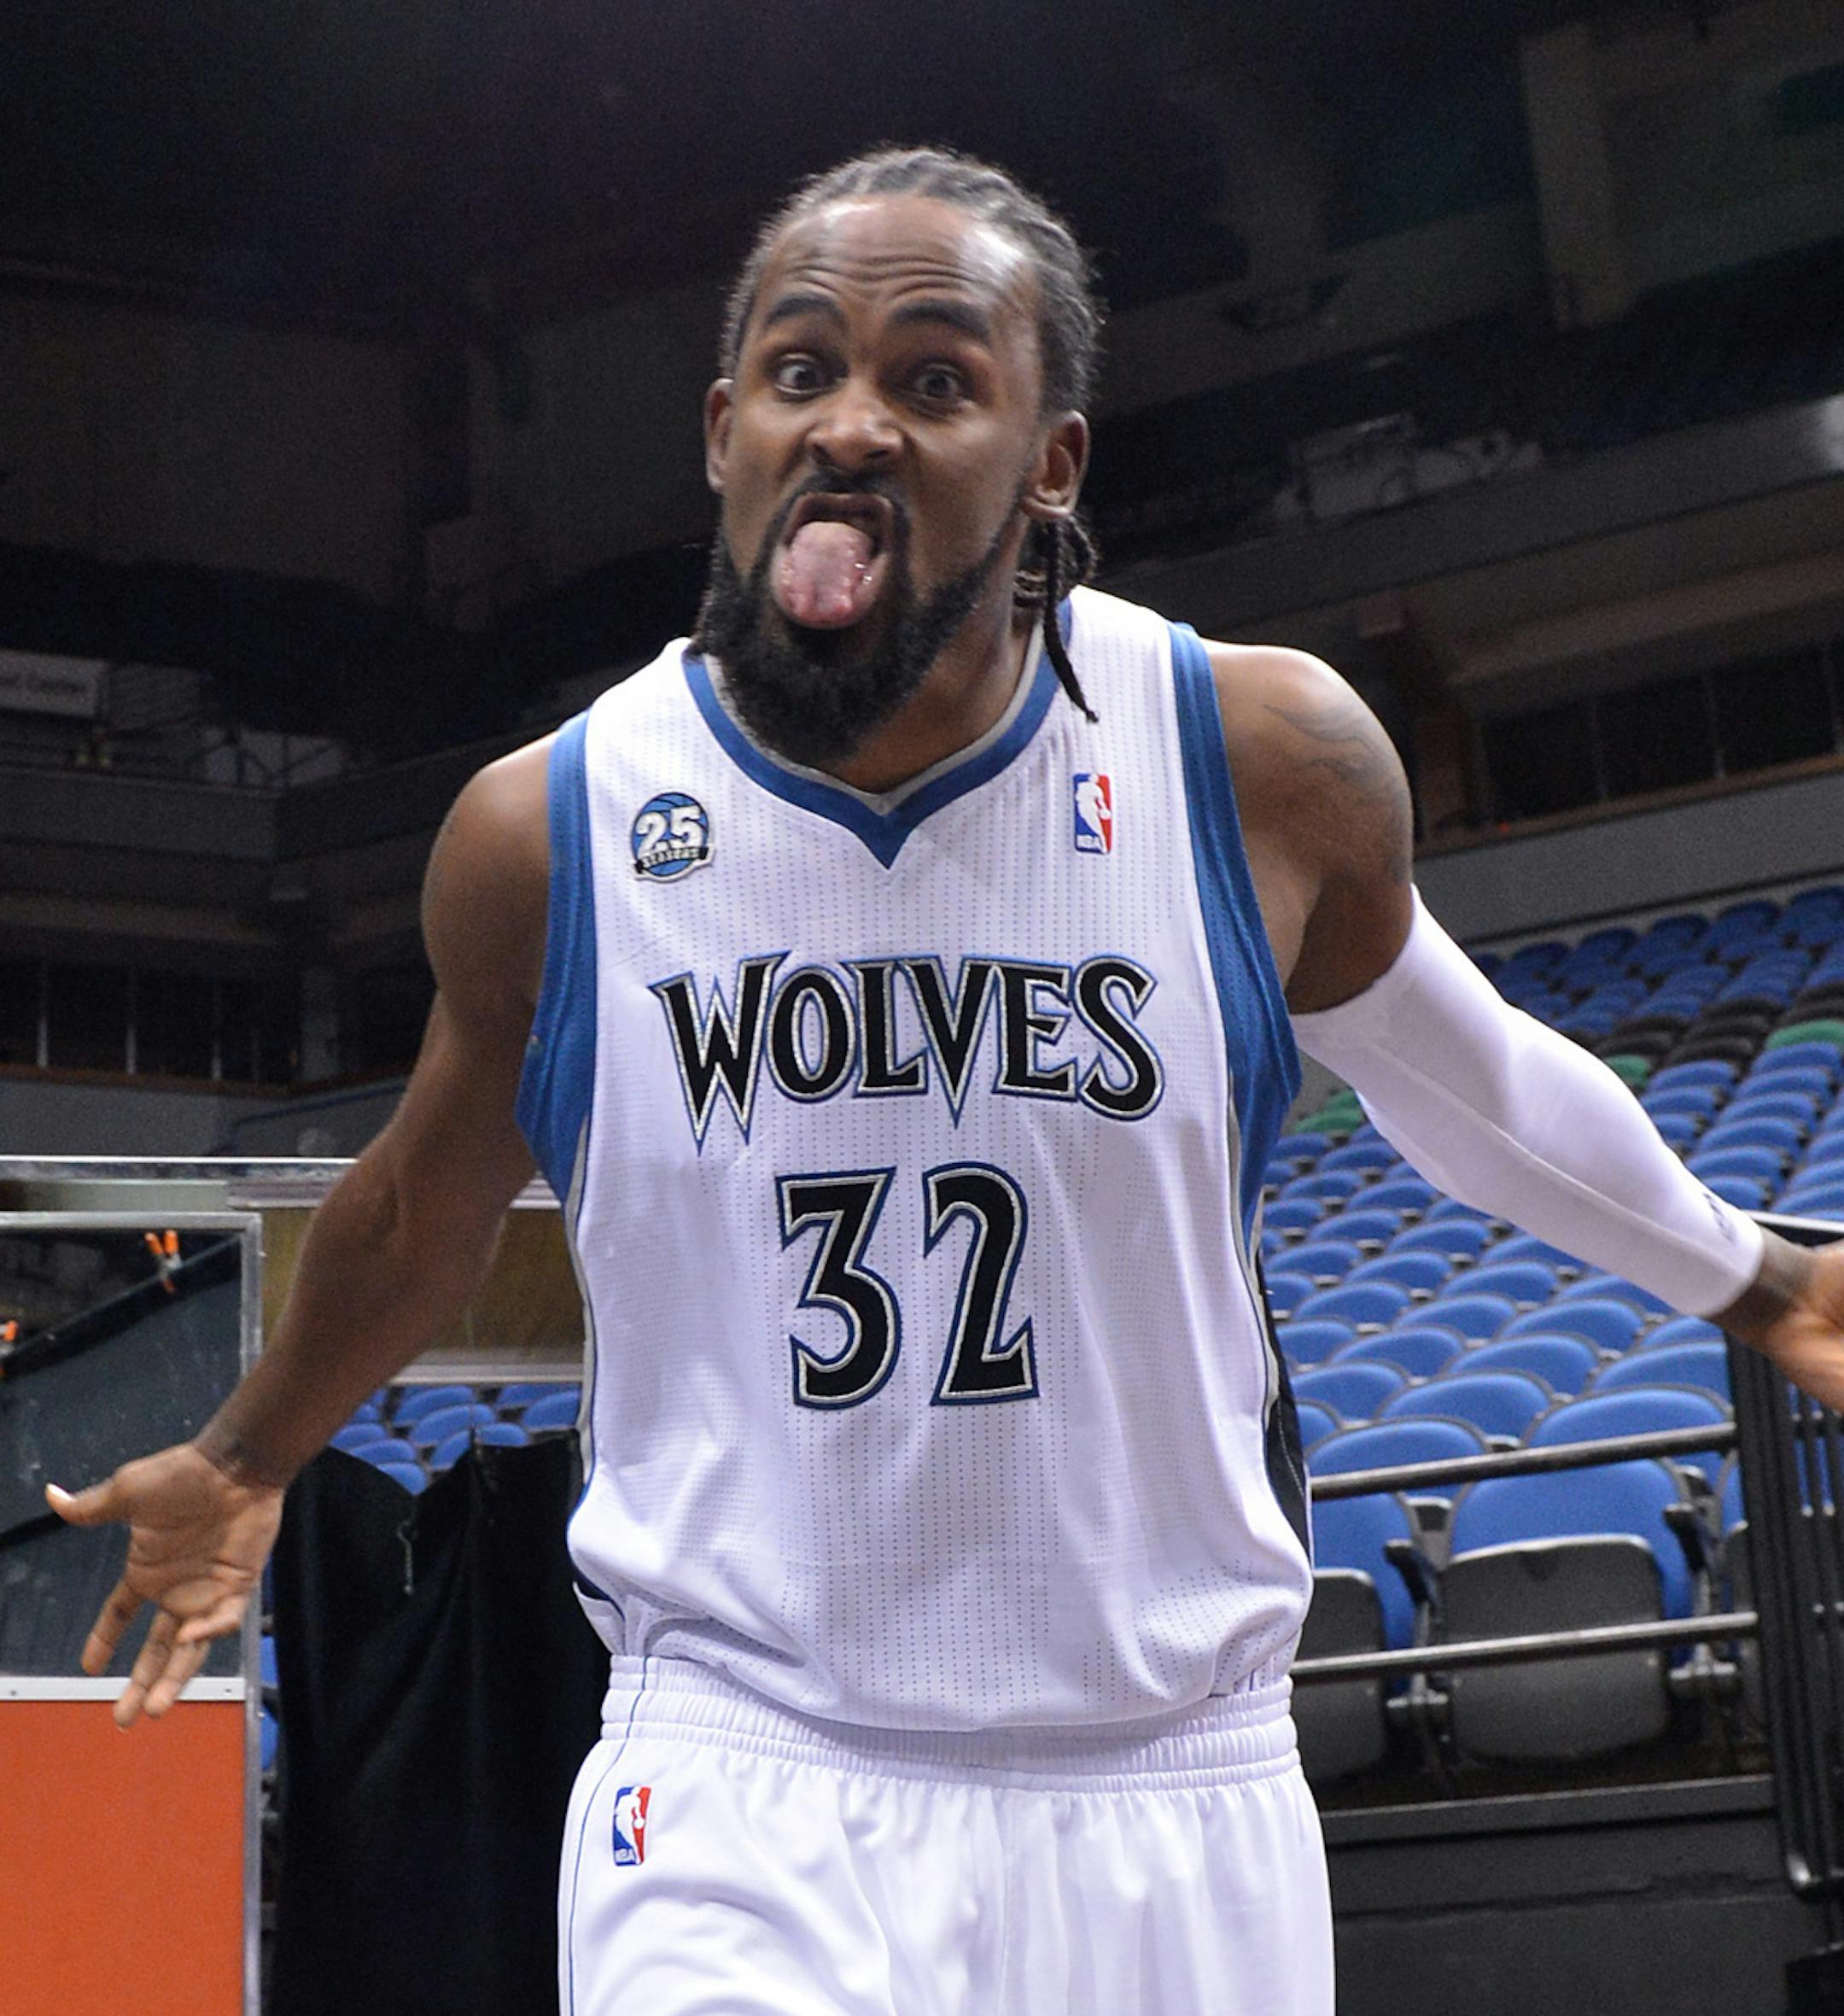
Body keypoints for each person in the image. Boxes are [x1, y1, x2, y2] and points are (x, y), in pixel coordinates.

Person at [48, 148, 1844, 2015]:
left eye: (934, 377)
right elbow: (424, 1202)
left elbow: (1468, 1086)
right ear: (724, 430)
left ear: (1049, 458)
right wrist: (249, 1452)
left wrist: (1761, 1271)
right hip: (745, 1770)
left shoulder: (1253, 755)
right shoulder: (555, 830)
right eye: (801, 369)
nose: (854, 426)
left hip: (1169, 1789)